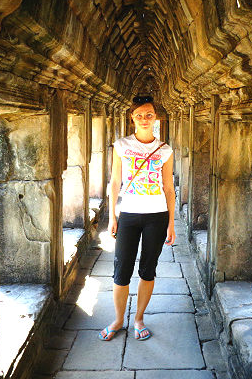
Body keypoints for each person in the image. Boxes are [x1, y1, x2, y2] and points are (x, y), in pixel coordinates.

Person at [98, 95, 176, 341]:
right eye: (139, 115)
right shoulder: (121, 146)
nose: (144, 119)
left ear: (157, 118)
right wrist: (112, 216)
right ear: (132, 118)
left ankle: (139, 318)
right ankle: (119, 319)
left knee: (147, 270)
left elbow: (168, 187)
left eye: (149, 115)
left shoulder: (165, 150)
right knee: (121, 269)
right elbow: (115, 182)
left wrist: (171, 223)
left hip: (157, 216)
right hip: (129, 215)